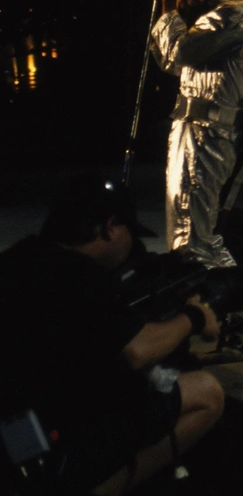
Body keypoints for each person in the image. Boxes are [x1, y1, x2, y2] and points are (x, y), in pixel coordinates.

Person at [0, 174, 224, 495]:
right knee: (205, 392)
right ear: (110, 227)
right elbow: (135, 351)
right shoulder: (79, 276)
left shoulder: (17, 260)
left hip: (17, 426)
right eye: (130, 232)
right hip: (58, 434)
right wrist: (194, 317)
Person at [150, 0, 243, 361]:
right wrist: (186, 12)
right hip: (206, 130)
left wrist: (169, 6)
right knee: (201, 235)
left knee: (190, 238)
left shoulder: (234, 16)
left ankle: (241, 325)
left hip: (203, 133)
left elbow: (177, 52)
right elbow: (179, 61)